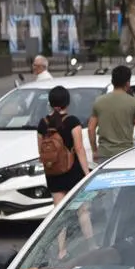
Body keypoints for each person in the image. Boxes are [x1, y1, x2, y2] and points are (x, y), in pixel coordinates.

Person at [36, 86, 93, 257]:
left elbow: (41, 150)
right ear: (67, 102)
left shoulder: (43, 123)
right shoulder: (72, 122)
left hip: (53, 173)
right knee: (82, 210)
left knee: (59, 212)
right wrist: (87, 173)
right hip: (72, 172)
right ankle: (92, 246)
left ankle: (61, 250)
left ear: (51, 102)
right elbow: (79, 149)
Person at [87, 65, 135, 165]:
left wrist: (95, 150)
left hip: (104, 154)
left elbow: (90, 129)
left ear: (112, 82)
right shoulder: (134, 103)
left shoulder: (99, 101)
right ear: (128, 83)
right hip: (125, 155)